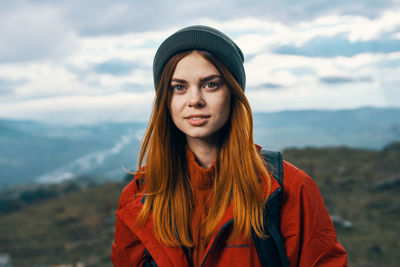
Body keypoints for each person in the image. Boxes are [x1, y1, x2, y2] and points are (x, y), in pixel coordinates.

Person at [111, 25, 348, 267]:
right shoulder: (138, 197)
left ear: (233, 92)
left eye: (210, 84)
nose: (194, 100)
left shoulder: (289, 189)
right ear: (165, 99)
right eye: (179, 87)